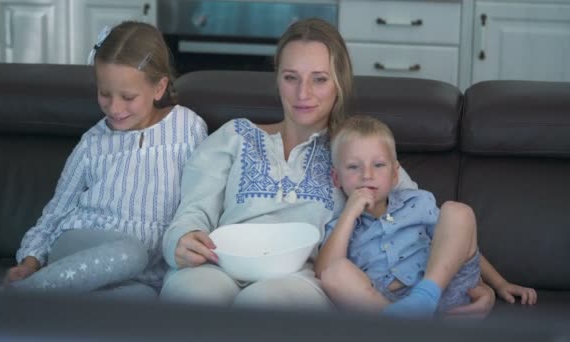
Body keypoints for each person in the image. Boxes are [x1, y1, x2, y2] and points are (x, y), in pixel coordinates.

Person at [159, 18, 501, 315]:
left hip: (302, 279)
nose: (303, 93)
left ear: (339, 83)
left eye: (319, 79)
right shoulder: (234, 135)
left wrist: (473, 281)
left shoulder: (356, 153)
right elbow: (192, 211)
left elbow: (423, 221)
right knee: (193, 295)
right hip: (220, 264)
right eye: (291, 77)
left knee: (263, 304)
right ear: (277, 78)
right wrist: (182, 240)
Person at [3, 21, 208, 298]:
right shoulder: (92, 143)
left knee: (141, 301)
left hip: (146, 276)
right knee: (132, 251)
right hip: (80, 246)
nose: (114, 108)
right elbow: (56, 211)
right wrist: (30, 262)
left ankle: (42, 311)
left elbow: (201, 197)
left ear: (159, 88)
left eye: (128, 97)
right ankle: (16, 298)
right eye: (104, 94)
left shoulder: (188, 128)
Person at [315, 115, 536, 318]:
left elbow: (457, 242)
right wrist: (350, 213)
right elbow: (324, 270)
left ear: (394, 175)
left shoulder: (417, 203)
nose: (367, 174)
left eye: (379, 165)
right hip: (386, 303)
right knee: (335, 273)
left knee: (458, 212)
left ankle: (423, 298)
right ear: (336, 179)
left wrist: (499, 283)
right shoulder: (341, 226)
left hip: (443, 288)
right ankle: (399, 323)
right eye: (353, 167)